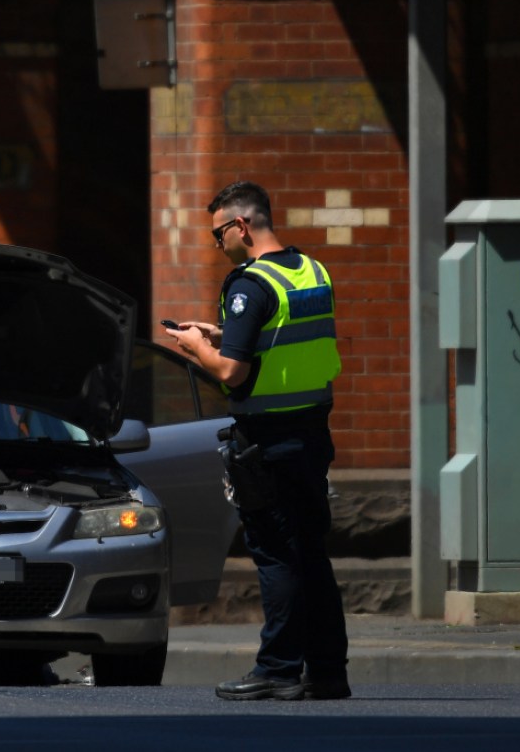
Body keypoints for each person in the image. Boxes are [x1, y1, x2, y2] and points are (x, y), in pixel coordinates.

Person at [164, 180, 350, 702]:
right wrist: (228, 334)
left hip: (266, 441)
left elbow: (231, 374)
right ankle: (328, 672)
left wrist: (197, 347)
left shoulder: (247, 284)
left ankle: (277, 668)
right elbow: (283, 343)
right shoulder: (312, 270)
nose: (216, 242)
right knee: (311, 552)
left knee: (274, 554)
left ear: (241, 226)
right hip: (312, 432)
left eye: (218, 231)